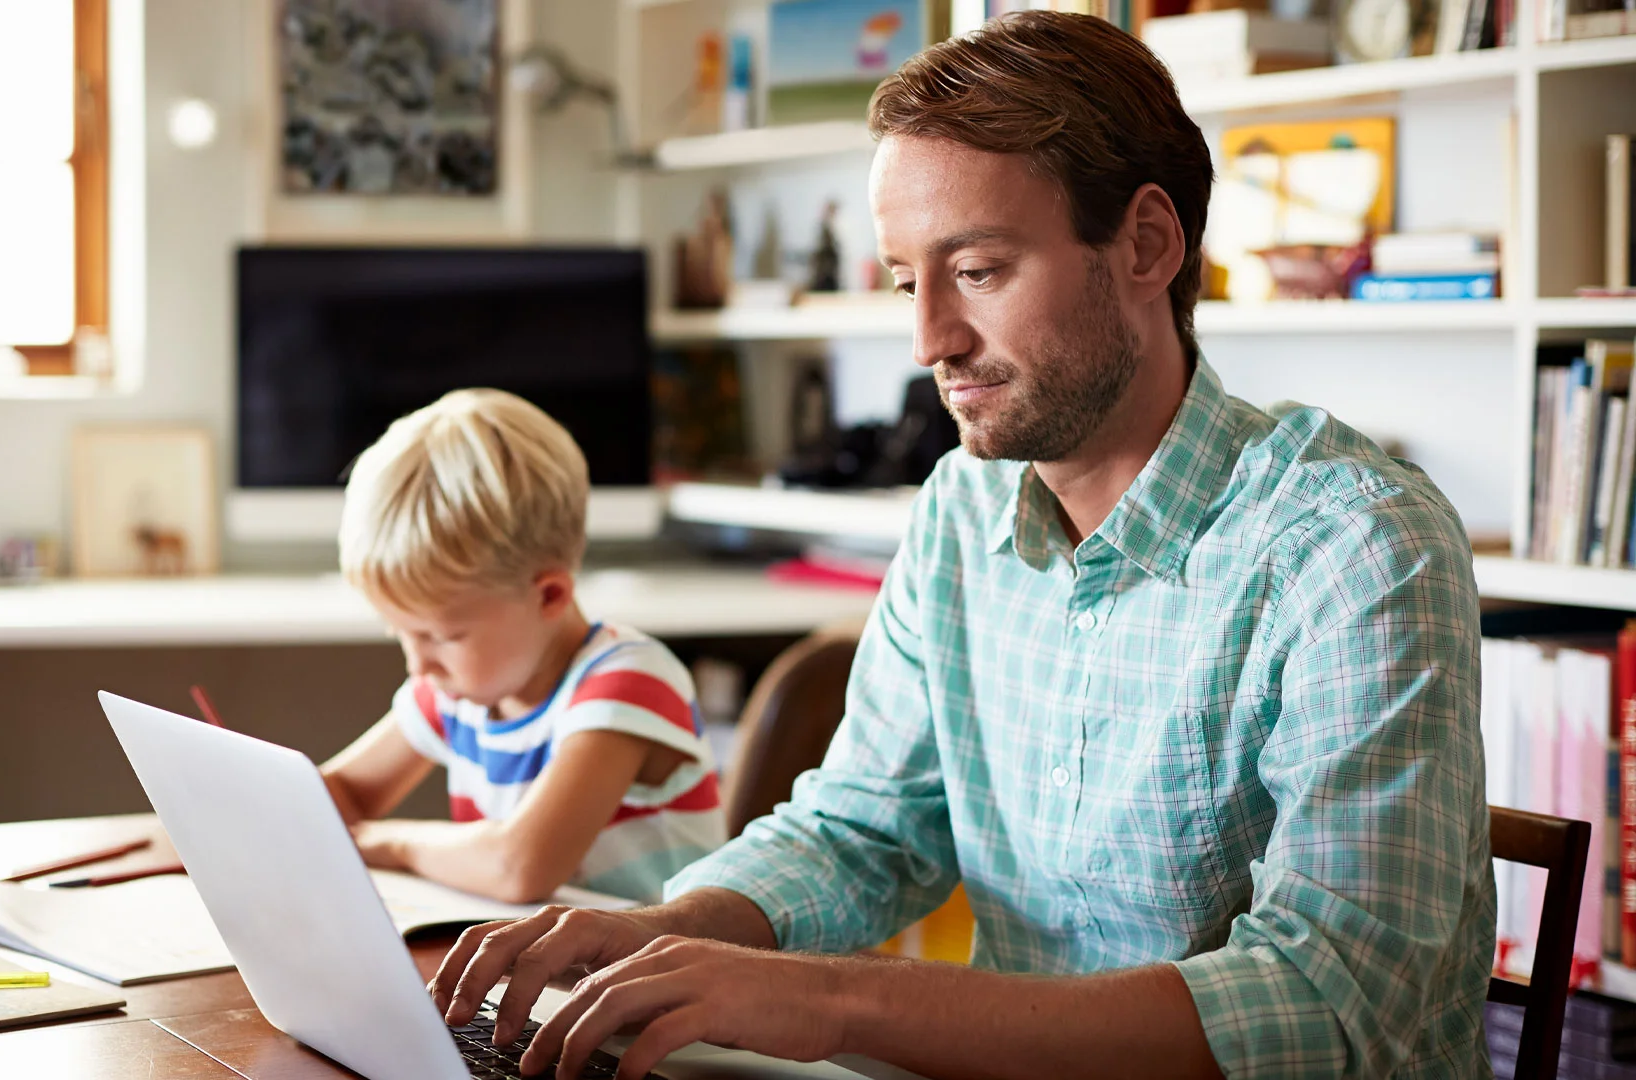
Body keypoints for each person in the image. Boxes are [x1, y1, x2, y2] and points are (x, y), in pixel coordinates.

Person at [429, 13, 1494, 1080]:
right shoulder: (958, 512)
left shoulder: (1358, 544)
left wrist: (838, 999)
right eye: (906, 282)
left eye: (978, 271)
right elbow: (866, 830)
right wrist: (672, 928)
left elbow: (1327, 1000)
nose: (929, 340)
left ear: (1147, 244)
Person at [320, 389, 726, 904]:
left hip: (648, 973)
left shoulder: (629, 683)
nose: (417, 664)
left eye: (442, 637)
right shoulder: (454, 690)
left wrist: (392, 843)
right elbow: (345, 793)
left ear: (550, 594)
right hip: (541, 967)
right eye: (399, 632)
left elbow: (519, 865)